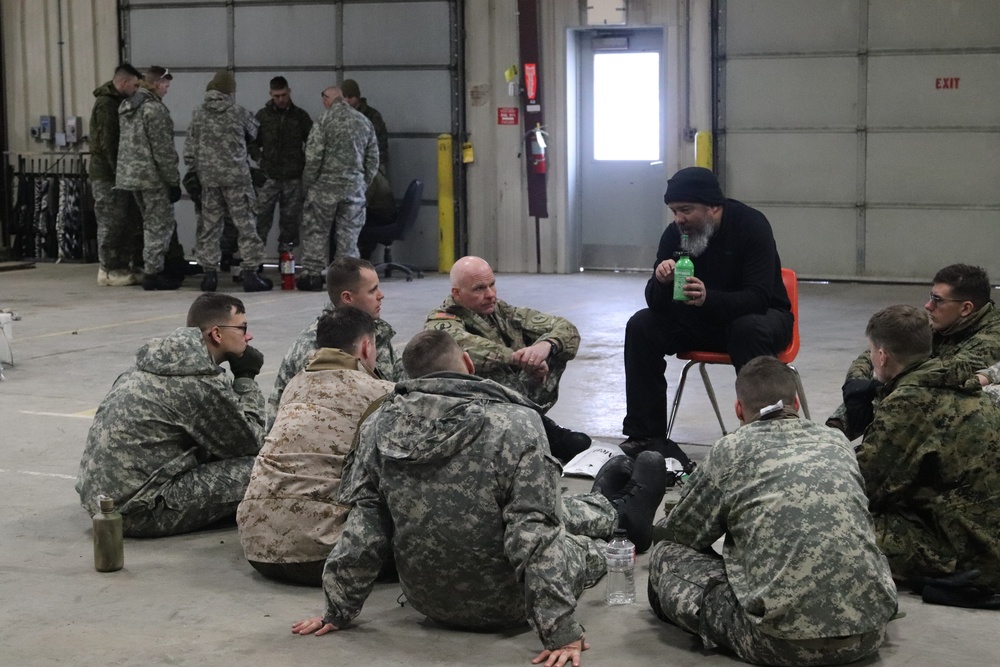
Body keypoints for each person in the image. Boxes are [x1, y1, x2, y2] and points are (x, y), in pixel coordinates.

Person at [292, 330, 668, 667]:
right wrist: (560, 630)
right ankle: (623, 527)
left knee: (537, 507)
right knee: (576, 545)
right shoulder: (515, 423)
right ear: (468, 364)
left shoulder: (378, 424)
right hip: (508, 604)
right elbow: (533, 536)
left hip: (429, 600)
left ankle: (605, 507)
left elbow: (365, 528)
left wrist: (337, 609)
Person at [647, 356, 898, 666]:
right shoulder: (836, 441)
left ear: (739, 410)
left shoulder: (731, 449)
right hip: (870, 632)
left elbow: (681, 533)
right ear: (794, 401)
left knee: (666, 555)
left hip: (780, 644)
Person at [622, 167, 792, 463]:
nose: (679, 219)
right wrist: (660, 283)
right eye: (674, 211)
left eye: (686, 210)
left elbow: (759, 298)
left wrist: (708, 298)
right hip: (703, 321)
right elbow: (656, 305)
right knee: (641, 326)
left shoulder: (752, 226)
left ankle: (767, 438)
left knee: (747, 329)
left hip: (763, 317)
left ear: (714, 207)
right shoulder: (675, 235)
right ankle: (645, 437)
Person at [76, 293, 267, 538]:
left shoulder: (160, 361)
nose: (248, 336)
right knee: (265, 468)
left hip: (100, 501)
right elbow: (253, 443)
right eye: (243, 328)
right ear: (217, 334)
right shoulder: (198, 382)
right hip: (136, 511)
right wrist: (245, 378)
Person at [856, 305, 1000, 608]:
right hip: (982, 529)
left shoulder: (909, 401)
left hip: (972, 553)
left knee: (838, 524)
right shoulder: (954, 380)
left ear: (882, 356)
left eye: (871, 352)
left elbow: (865, 488)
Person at [238, 308, 393, 586]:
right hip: (325, 556)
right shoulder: (380, 393)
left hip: (257, 548)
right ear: (367, 346)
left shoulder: (294, 386)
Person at [425, 255, 590, 461]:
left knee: (556, 347)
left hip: (512, 404)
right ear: (457, 294)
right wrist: (517, 358)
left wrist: (544, 346)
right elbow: (463, 345)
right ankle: (533, 432)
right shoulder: (442, 320)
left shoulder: (501, 311)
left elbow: (567, 329)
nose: (490, 294)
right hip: (472, 415)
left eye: (492, 285)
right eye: (479, 289)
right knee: (483, 364)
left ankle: (533, 426)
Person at [828, 263, 1000, 440]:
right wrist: (856, 383)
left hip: (953, 426)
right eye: (930, 297)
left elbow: (930, 383)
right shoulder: (948, 324)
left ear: (966, 309)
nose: (928, 306)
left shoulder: (992, 339)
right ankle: (830, 435)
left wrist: (871, 390)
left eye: (937, 300)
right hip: (923, 406)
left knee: (893, 389)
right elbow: (881, 347)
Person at [267, 257, 404, 430]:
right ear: (347, 297)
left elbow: (403, 386)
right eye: (372, 290)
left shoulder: (376, 332)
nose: (381, 295)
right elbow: (319, 421)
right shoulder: (317, 345)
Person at [184, 70, 271, 293]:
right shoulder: (238, 112)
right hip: (237, 179)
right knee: (246, 226)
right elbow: (255, 134)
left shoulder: (197, 114)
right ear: (230, 91)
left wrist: (194, 172)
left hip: (209, 181)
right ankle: (250, 273)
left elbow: (190, 149)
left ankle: (210, 276)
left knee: (210, 227)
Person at [295, 86, 379, 291]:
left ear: (327, 99)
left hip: (324, 188)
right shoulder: (363, 121)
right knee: (349, 237)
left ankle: (313, 277)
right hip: (353, 189)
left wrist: (308, 185)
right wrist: (361, 183)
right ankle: (347, 282)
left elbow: (314, 158)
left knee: (316, 232)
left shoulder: (323, 121)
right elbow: (373, 158)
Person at [116, 65, 185, 291]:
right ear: (157, 84)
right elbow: (163, 150)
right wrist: (173, 181)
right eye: (166, 84)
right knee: (158, 226)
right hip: (152, 178)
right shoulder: (153, 109)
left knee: (149, 224)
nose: (167, 88)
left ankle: (154, 267)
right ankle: (153, 274)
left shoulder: (128, 105)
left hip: (131, 176)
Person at [90, 63, 142, 286]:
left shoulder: (120, 103)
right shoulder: (106, 105)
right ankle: (108, 269)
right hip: (108, 175)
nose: (137, 89)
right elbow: (108, 143)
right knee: (110, 222)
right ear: (123, 83)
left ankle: (122, 265)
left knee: (125, 221)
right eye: (134, 85)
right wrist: (117, 173)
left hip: (120, 174)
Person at [250, 76, 313, 255]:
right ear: (270, 94)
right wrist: (259, 159)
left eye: (284, 95)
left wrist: (307, 164)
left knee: (290, 221)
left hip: (293, 178)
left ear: (289, 92)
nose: (281, 99)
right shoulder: (262, 116)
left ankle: (286, 258)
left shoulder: (300, 116)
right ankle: (254, 259)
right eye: (276, 96)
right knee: (260, 218)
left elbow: (314, 143)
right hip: (268, 177)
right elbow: (252, 142)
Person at [340, 78, 395, 229]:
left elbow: (377, 146)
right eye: (345, 97)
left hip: (370, 170)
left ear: (357, 97)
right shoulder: (343, 116)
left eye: (351, 97)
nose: (348, 101)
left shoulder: (371, 116)